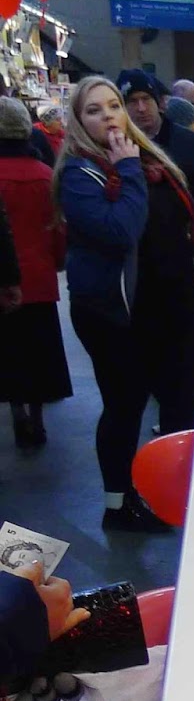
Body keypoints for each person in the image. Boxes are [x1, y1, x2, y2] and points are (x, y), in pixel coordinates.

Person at [57, 76, 194, 533]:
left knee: (166, 398)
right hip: (113, 311)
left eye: (113, 106)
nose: (109, 116)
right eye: (94, 110)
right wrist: (131, 168)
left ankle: (169, 494)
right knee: (125, 404)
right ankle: (118, 505)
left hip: (161, 302)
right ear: (79, 122)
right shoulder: (81, 174)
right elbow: (121, 229)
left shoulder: (144, 158)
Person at [0, 100, 71, 447]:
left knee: (8, 352)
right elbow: (58, 228)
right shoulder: (46, 175)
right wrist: (58, 261)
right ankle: (38, 417)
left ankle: (17, 414)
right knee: (39, 353)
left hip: (4, 282)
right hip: (40, 277)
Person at [115, 70, 194, 259]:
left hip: (186, 252)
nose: (141, 108)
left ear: (159, 103)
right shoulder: (118, 147)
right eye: (132, 101)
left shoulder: (188, 142)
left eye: (146, 99)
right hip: (139, 254)